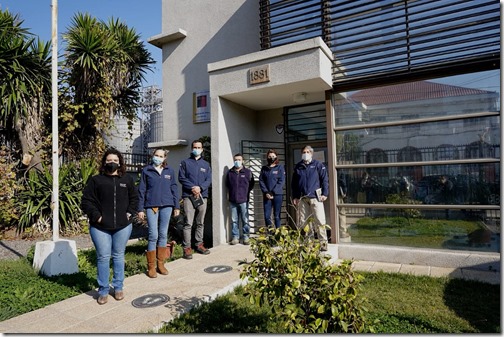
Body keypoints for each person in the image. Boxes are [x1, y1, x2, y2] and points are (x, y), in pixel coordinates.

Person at [81, 148, 138, 305]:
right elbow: (86, 201)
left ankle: (118, 287)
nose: (112, 163)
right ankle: (104, 290)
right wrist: (96, 216)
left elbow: (134, 198)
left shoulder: (127, 180)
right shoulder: (96, 180)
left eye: (115, 160)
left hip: (122, 226)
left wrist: (129, 213)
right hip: (100, 227)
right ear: (104, 162)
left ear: (120, 162)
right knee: (103, 257)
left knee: (119, 256)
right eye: (109, 161)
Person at [137, 149, 180, 278]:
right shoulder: (147, 171)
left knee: (162, 234)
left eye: (161, 156)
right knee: (153, 234)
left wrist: (176, 205)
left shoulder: (169, 171)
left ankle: (161, 264)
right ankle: (151, 266)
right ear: (153, 156)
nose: (158, 158)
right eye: (156, 155)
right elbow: (141, 190)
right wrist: (140, 209)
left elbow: (174, 188)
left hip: (167, 205)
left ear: (165, 158)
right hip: (152, 206)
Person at [178, 139, 212, 259]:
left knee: (200, 222)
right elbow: (181, 178)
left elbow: (209, 179)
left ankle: (199, 245)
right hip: (189, 196)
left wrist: (200, 188)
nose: (197, 149)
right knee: (188, 223)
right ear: (192, 149)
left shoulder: (206, 164)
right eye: (195, 147)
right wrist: (193, 188)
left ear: (202, 150)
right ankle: (187, 248)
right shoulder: (185, 163)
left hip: (203, 196)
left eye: (199, 148)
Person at [291, 145, 329, 251]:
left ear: (311, 153)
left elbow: (324, 179)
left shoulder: (318, 165)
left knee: (320, 220)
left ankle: (323, 244)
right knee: (304, 222)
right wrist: (295, 196)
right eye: (304, 152)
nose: (305, 154)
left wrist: (325, 193)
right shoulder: (298, 166)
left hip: (315, 198)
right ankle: (309, 243)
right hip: (302, 198)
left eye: (308, 152)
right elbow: (294, 183)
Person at [226, 153, 255, 245]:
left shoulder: (248, 172)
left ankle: (246, 236)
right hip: (233, 200)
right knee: (234, 220)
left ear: (243, 161)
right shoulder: (230, 172)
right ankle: (235, 237)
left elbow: (251, 184)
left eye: (239, 160)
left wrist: (245, 193)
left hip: (244, 200)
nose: (237, 161)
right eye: (236, 160)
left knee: (245, 220)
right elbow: (227, 184)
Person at [258, 149, 285, 229]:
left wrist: (272, 192)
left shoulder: (280, 168)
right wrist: (266, 192)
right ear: (267, 157)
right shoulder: (264, 168)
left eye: (273, 156)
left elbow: (281, 181)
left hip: (277, 195)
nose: (271, 158)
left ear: (276, 157)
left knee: (277, 216)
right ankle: (271, 234)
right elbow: (261, 180)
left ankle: (278, 235)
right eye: (269, 156)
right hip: (267, 195)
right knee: (267, 216)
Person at [338, 173, 349, 238]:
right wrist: (344, 191)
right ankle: (342, 232)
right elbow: (342, 182)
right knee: (341, 213)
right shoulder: (340, 171)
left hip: (327, 193)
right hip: (338, 194)